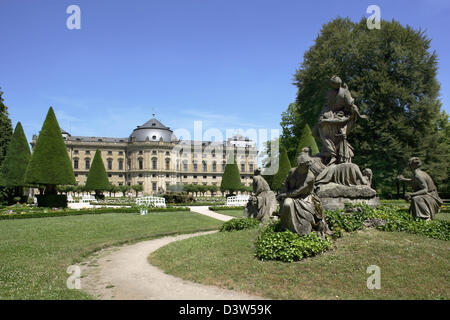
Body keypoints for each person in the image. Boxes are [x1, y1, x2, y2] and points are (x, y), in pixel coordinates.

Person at [312, 76, 368, 165]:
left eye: (337, 84)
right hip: (328, 112)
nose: (336, 85)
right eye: (334, 84)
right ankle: (329, 150)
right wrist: (323, 115)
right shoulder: (329, 92)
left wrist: (359, 115)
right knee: (315, 133)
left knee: (327, 130)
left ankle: (332, 154)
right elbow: (327, 105)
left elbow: (351, 104)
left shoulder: (344, 92)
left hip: (339, 115)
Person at [277, 152, 330, 237]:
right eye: (307, 166)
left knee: (305, 220)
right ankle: (286, 227)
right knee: (287, 204)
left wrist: (283, 195)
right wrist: (283, 191)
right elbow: (285, 183)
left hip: (305, 198)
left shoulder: (310, 177)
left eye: (309, 166)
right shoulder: (292, 171)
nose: (308, 168)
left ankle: (298, 230)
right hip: (290, 195)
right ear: (300, 165)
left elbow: (298, 191)